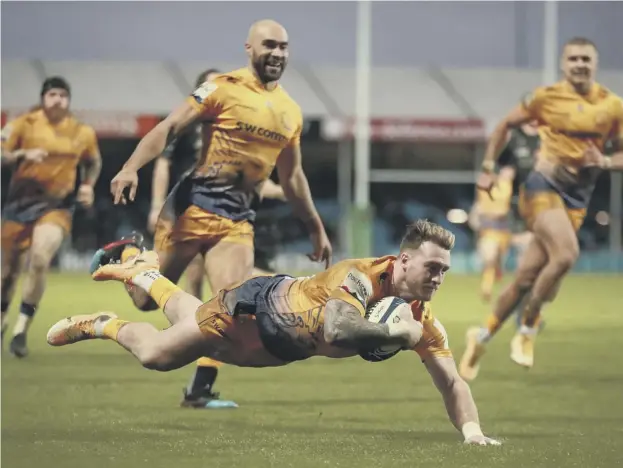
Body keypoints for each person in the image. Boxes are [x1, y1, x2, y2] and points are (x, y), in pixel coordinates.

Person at [48, 220, 500, 446]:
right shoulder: (360, 276)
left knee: (191, 319)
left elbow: (453, 382)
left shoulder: (422, 318)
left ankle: (143, 272)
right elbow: (337, 327)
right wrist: (399, 336)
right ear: (403, 261)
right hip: (254, 310)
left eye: (445, 269)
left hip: (278, 347)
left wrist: (473, 432)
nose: (439, 277)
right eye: (431, 267)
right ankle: (103, 323)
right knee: (159, 356)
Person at [90, 19, 332, 406]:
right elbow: (170, 128)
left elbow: (294, 176)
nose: (278, 53)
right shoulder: (221, 88)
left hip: (237, 223)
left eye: (284, 47)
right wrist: (130, 166)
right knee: (144, 301)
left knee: (227, 316)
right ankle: (128, 257)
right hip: (190, 210)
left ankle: (199, 391)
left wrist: (315, 227)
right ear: (249, 48)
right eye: (269, 45)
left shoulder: (290, 111)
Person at [459, 37, 623, 381]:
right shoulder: (546, 97)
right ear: (564, 64)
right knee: (565, 256)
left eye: (586, 59)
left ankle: (481, 336)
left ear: (595, 64)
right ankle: (528, 327)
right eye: (573, 58)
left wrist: (606, 160)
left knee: (526, 279)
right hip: (540, 188)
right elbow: (504, 125)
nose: (580, 64)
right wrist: (488, 167)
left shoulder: (613, 106)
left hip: (576, 202)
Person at [1, 77, 101, 357]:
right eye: (52, 94)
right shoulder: (24, 124)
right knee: (7, 274)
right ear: (43, 98)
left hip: (57, 207)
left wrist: (87, 186)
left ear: (69, 100)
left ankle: (21, 330)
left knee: (40, 258)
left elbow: (94, 162)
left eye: (63, 95)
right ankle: (3, 319)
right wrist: (22, 154)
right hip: (19, 206)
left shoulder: (82, 132)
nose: (58, 99)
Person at [468, 165, 515, 303]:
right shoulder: (484, 189)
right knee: (490, 259)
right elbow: (479, 205)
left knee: (498, 262)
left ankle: (497, 276)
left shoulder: (505, 187)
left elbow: (501, 210)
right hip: (489, 231)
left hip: (503, 232)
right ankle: (486, 288)